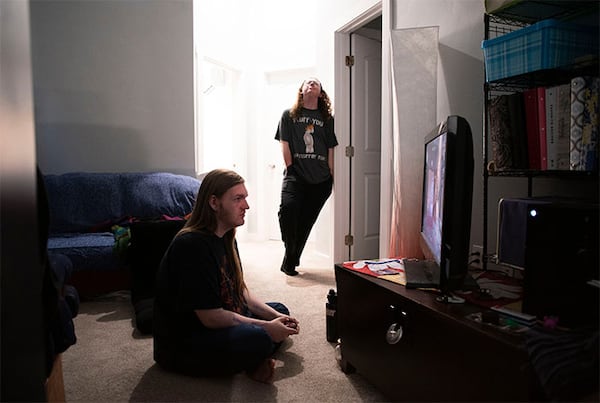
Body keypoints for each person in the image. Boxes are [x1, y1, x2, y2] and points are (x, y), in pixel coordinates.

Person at [153, 169, 300, 383]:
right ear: (214, 202)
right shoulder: (192, 245)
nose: (246, 206)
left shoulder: (227, 235)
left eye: (245, 198)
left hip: (219, 319)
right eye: (238, 199)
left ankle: (253, 356)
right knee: (259, 337)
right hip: (185, 342)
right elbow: (211, 318)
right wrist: (267, 328)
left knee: (279, 311)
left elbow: (240, 290)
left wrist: (275, 319)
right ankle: (254, 359)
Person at [275, 77, 338, 276]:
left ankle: (290, 261)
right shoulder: (289, 115)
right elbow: (284, 144)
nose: (312, 84)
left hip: (320, 181)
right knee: (287, 211)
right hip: (296, 175)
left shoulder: (327, 119)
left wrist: (331, 174)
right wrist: (290, 167)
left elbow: (330, 149)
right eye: (308, 83)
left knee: (305, 222)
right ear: (301, 90)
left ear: (320, 93)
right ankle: (291, 251)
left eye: (316, 83)